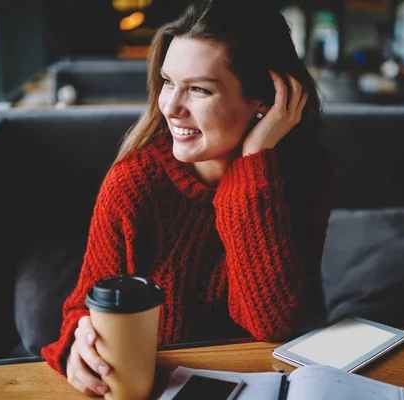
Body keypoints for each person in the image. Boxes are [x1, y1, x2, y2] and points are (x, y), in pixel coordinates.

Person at [42, 0, 336, 395]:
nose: (172, 107)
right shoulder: (134, 184)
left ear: (264, 100)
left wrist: (252, 168)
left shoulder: (306, 176)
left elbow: (273, 323)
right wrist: (74, 348)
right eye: (167, 82)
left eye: (198, 89)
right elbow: (83, 307)